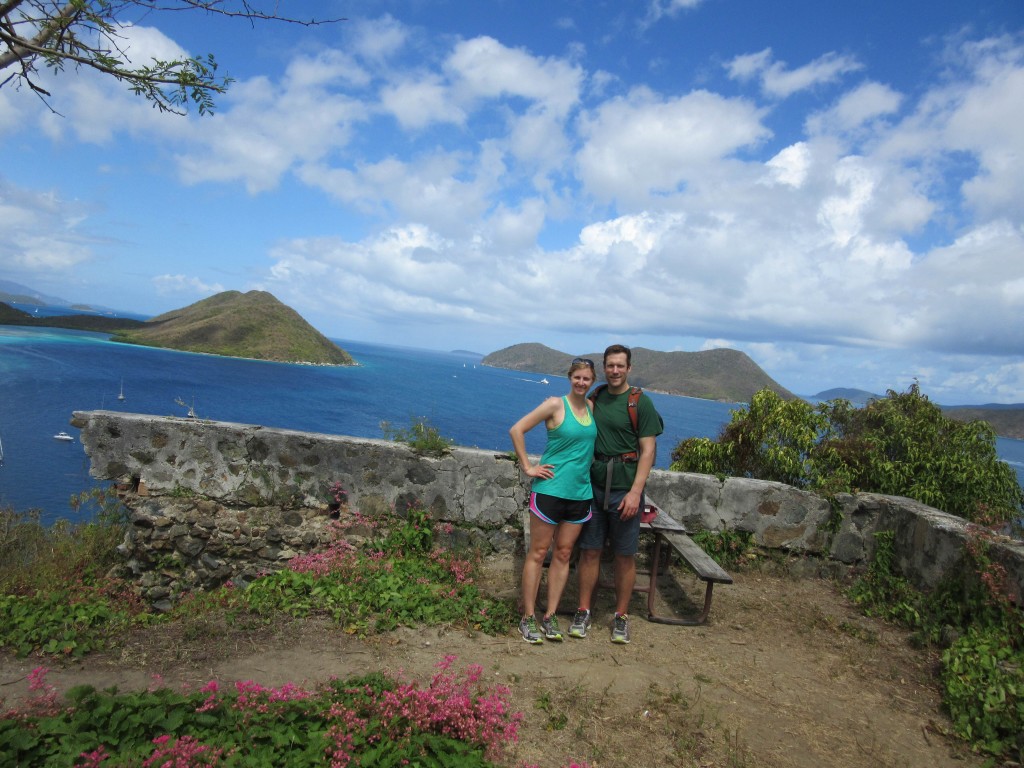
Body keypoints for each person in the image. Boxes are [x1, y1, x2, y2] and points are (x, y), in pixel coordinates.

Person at [570, 344, 663, 644]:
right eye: (610, 365)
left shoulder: (640, 403)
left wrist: (636, 493)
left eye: (620, 366)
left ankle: (621, 616)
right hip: (594, 487)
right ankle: (584, 609)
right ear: (604, 367)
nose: (614, 370)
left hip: (625, 490)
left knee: (624, 555)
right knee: (590, 551)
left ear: (629, 368)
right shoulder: (596, 397)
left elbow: (648, 451)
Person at [509, 358, 598, 644]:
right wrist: (528, 467)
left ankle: (550, 616)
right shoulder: (555, 405)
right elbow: (517, 430)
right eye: (577, 378)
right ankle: (528, 617)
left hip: (580, 494)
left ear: (592, 381)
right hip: (549, 491)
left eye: (587, 379)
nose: (581, 383)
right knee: (538, 553)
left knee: (563, 554)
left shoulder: (592, 408)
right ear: (570, 377)